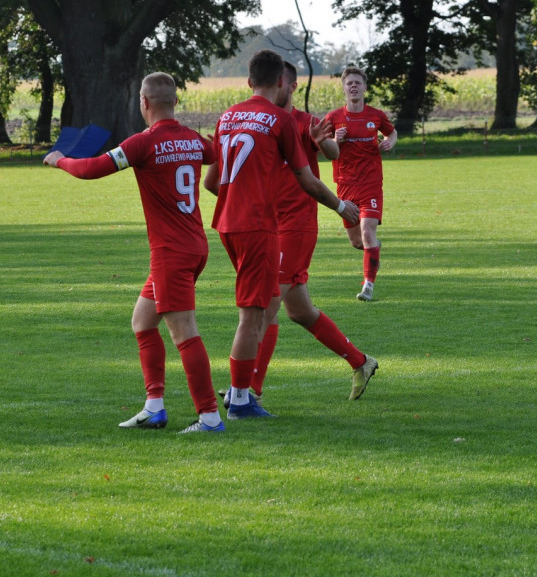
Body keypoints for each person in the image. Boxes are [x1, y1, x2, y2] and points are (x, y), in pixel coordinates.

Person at [43, 72, 224, 434]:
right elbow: (217, 152)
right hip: (194, 245)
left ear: (143, 103)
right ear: (174, 102)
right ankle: (154, 407)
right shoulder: (192, 140)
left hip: (171, 252)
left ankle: (209, 417)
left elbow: (92, 168)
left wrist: (59, 160)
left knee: (184, 331)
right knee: (143, 322)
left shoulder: (144, 143)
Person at [204, 49, 359, 420]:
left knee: (290, 308)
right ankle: (242, 397)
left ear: (247, 80)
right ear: (280, 83)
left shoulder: (227, 117)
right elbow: (308, 180)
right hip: (261, 226)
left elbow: (211, 182)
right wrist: (341, 207)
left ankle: (359, 361)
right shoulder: (280, 120)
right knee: (256, 315)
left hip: (227, 223)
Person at [234, 61, 378, 403]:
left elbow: (333, 152)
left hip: (297, 225)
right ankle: (361, 362)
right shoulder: (259, 121)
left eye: (279, 83)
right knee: (300, 311)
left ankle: (249, 390)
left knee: (266, 307)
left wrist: (321, 141)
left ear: (290, 86)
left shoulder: (304, 121)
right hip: (268, 225)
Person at [321, 66, 397, 302]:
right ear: (344, 88)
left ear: (365, 87)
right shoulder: (333, 118)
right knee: (358, 241)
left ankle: (368, 286)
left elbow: (392, 133)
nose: (353, 86)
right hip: (345, 186)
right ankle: (373, 250)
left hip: (371, 184)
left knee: (367, 232)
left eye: (357, 82)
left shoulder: (376, 115)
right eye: (349, 83)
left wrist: (389, 142)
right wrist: (335, 140)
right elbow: (324, 150)